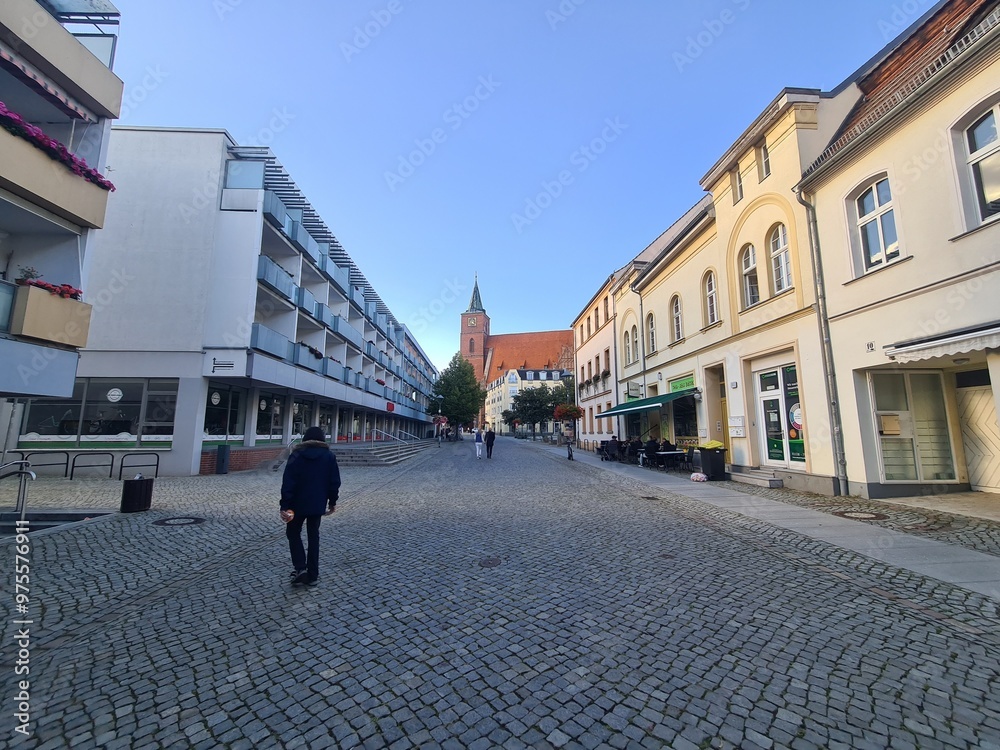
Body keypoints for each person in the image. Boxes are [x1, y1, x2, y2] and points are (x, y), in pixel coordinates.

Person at [280, 426, 340, 587]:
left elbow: (288, 482)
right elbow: (334, 483)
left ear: (305, 439)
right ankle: (313, 574)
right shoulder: (329, 456)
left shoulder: (296, 455)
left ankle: (300, 567)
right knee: (314, 536)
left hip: (295, 504)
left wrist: (284, 505)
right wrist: (332, 502)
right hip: (317, 504)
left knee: (293, 533)